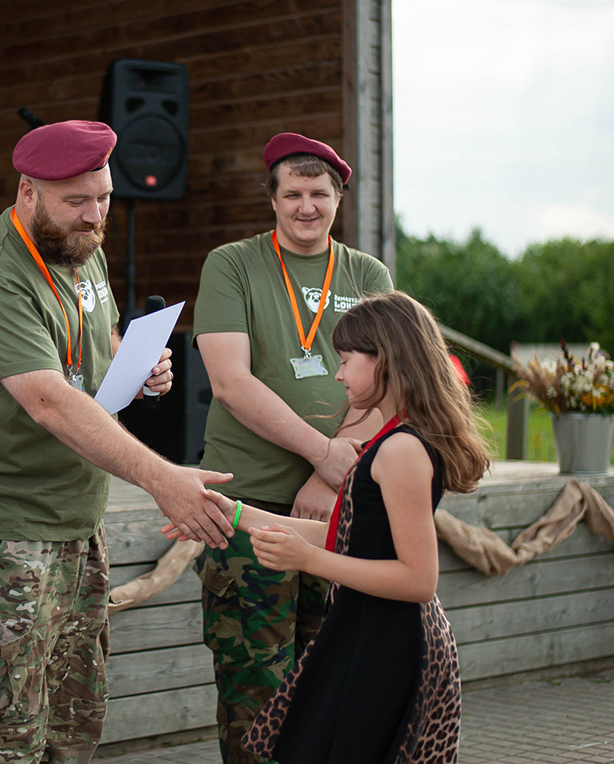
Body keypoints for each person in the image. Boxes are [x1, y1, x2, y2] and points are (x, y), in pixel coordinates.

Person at [0, 120, 238, 763]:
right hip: (1, 535)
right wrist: (164, 479)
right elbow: (49, 400)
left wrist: (134, 363)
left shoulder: (78, 243)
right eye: (77, 201)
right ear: (28, 192)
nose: (95, 216)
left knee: (74, 727)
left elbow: (92, 343)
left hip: (75, 521)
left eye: (104, 197)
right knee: (5, 740)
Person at [212, 290, 487, 762]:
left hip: (391, 645)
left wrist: (310, 561)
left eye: (344, 360)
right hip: (365, 632)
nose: (337, 374)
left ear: (385, 359)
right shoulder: (391, 436)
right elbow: (347, 535)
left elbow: (420, 580)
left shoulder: (402, 449)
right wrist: (230, 513)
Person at [191, 132, 395, 762]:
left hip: (340, 506)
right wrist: (321, 453)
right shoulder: (232, 264)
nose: (307, 206)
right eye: (293, 194)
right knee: (256, 687)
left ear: (339, 199)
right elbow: (230, 383)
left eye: (320, 194)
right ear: (273, 199)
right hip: (246, 505)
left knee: (330, 676)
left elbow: (389, 386)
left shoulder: (367, 274)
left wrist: (330, 475)